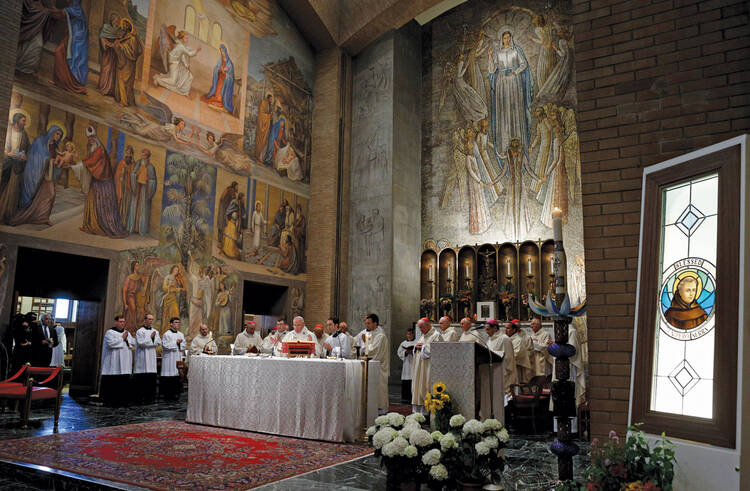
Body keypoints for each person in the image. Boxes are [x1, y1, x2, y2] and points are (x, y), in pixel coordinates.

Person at [76, 126, 128, 237]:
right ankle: (89, 225)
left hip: (103, 182)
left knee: (102, 204)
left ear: (96, 139)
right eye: (89, 139)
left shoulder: (99, 150)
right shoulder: (95, 149)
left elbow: (92, 161)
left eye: (92, 139)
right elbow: (91, 161)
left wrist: (81, 163)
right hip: (97, 180)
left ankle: (100, 226)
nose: (90, 141)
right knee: (91, 201)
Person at [487, 29, 534, 154]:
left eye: (508, 37)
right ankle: (504, 146)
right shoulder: (498, 53)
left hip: (514, 81)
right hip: (501, 82)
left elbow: (524, 64)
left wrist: (515, 72)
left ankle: (519, 145)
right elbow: (492, 70)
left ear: (510, 38)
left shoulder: (515, 50)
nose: (506, 40)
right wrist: (490, 56)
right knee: (503, 111)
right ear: (501, 39)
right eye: (504, 38)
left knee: (515, 108)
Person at [50, 0, 88, 95]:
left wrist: (49, 8)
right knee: (61, 54)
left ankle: (74, 85)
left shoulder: (76, 8)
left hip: (76, 40)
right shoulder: (74, 8)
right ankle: (60, 81)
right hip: (72, 37)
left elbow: (60, 14)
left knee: (61, 53)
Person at [16, 1, 64, 76]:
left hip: (37, 23)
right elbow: (30, 7)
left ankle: (26, 68)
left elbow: (49, 6)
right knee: (33, 43)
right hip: (31, 21)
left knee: (37, 44)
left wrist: (51, 11)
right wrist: (47, 12)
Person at [0, 113, 31, 223]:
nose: (25, 123)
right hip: (7, 164)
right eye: (23, 120)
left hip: (18, 167)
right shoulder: (8, 131)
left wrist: (25, 156)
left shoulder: (24, 134)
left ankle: (9, 215)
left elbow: (28, 149)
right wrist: (8, 154)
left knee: (13, 191)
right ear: (17, 120)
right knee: (4, 188)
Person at [357, 313, 390, 414]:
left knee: (379, 389)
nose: (366, 326)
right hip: (371, 366)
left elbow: (372, 351)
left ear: (375, 323)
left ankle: (381, 410)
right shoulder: (370, 333)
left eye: (369, 323)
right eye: (366, 323)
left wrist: (364, 342)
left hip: (379, 367)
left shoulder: (380, 336)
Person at [100, 315, 134, 406]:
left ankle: (123, 400)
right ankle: (110, 401)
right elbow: (110, 344)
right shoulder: (110, 332)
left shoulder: (128, 333)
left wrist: (127, 340)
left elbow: (132, 343)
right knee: (113, 382)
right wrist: (122, 338)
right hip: (113, 362)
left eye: (123, 322)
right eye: (120, 321)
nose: (122, 323)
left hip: (125, 362)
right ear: (116, 322)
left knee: (123, 382)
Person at [154, 30, 200, 96]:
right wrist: (197, 50)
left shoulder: (177, 43)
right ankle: (158, 80)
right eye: (186, 38)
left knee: (189, 75)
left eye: (187, 38)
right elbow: (189, 54)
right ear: (182, 38)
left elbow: (182, 55)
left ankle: (185, 91)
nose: (187, 40)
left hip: (177, 64)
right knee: (173, 81)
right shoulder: (180, 46)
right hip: (174, 65)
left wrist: (185, 64)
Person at [110, 18, 143, 107]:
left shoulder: (132, 38)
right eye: (122, 26)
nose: (122, 27)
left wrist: (122, 46)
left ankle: (125, 101)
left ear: (127, 27)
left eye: (124, 26)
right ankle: (122, 99)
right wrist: (117, 45)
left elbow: (133, 52)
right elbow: (120, 49)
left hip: (129, 64)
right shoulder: (124, 37)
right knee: (120, 81)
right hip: (122, 62)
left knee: (126, 82)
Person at [411, 317, 440, 415]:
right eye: (419, 328)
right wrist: (416, 347)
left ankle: (427, 411)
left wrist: (422, 347)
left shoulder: (436, 335)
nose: (420, 330)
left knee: (425, 385)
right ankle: (419, 411)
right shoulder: (423, 336)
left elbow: (435, 351)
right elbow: (418, 347)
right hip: (419, 366)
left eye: (421, 327)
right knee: (418, 385)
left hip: (428, 367)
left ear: (428, 325)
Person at [127, 148, 157, 234]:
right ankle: (132, 227)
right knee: (134, 206)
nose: (142, 157)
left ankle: (141, 229)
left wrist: (148, 182)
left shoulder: (151, 167)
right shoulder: (138, 163)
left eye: (144, 155)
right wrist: (135, 176)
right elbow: (133, 173)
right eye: (142, 155)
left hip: (145, 189)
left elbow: (153, 180)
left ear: (147, 157)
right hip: (137, 187)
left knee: (143, 208)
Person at [134, 313, 160, 403]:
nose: (150, 321)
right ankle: (140, 398)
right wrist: (151, 338)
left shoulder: (155, 331)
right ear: (145, 320)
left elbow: (158, 342)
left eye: (152, 319)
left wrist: (152, 340)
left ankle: (150, 398)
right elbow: (141, 343)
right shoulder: (140, 331)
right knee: (142, 379)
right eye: (149, 319)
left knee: (151, 378)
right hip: (142, 358)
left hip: (151, 357)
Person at [486, 319, 517, 395]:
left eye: (488, 329)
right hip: (492, 371)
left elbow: (509, 357)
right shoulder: (489, 339)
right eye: (486, 329)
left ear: (495, 328)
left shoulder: (504, 338)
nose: (486, 332)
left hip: (503, 371)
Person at [202, 44, 235, 113]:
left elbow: (231, 77)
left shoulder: (230, 64)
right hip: (220, 78)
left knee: (220, 95)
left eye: (223, 51)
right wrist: (219, 69)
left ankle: (221, 101)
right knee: (217, 91)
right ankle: (216, 98)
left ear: (225, 51)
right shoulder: (221, 60)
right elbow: (216, 68)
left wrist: (226, 72)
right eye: (221, 51)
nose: (222, 53)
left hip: (225, 81)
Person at [97, 13, 121, 97]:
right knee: (106, 69)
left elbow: (117, 39)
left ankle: (110, 89)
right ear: (112, 20)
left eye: (118, 21)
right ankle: (103, 88)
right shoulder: (106, 27)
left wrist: (116, 43)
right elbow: (102, 38)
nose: (117, 22)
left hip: (113, 53)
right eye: (116, 20)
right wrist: (108, 44)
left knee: (112, 70)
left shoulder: (116, 29)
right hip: (107, 52)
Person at [160, 317, 184, 401]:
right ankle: (168, 395)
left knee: (176, 375)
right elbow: (165, 346)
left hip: (177, 356)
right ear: (171, 324)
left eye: (178, 322)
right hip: (169, 358)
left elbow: (183, 345)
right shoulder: (167, 334)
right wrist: (176, 343)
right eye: (176, 322)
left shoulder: (181, 334)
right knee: (169, 375)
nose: (178, 324)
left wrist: (179, 344)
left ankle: (176, 394)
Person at [114, 145, 135, 228]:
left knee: (127, 205)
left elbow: (134, 175)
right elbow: (117, 175)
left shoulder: (133, 164)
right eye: (126, 153)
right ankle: (118, 222)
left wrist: (128, 172)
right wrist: (121, 175)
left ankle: (125, 223)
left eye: (129, 153)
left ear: (132, 154)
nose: (128, 155)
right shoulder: (121, 163)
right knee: (120, 203)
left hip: (128, 188)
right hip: (121, 187)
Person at [506, 320, 533, 384]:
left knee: (519, 380)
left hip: (520, 363)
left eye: (508, 328)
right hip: (511, 362)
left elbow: (519, 353)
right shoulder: (508, 338)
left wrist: (524, 353)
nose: (506, 330)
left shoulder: (524, 338)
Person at [397, 327, 417, 403]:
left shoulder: (416, 342)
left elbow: (418, 352)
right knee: (406, 380)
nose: (408, 335)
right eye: (407, 334)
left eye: (410, 334)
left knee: (412, 378)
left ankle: (412, 396)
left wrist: (412, 352)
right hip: (406, 364)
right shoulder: (403, 343)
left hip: (413, 363)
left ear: (413, 334)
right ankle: (405, 396)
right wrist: (405, 352)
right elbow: (399, 352)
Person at [255, 93, 274, 160]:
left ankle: (262, 157)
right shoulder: (264, 102)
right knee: (261, 141)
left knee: (266, 141)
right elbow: (261, 114)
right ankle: (259, 155)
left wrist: (270, 116)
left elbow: (269, 116)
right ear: (268, 98)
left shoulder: (270, 105)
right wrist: (268, 116)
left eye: (272, 99)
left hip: (266, 127)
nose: (272, 100)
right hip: (262, 126)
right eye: (271, 99)